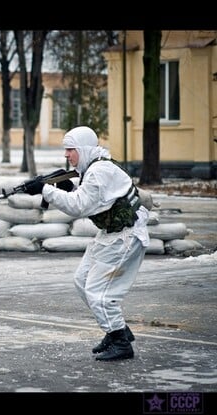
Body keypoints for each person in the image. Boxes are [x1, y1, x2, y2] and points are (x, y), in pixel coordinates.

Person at [22, 126, 149, 361]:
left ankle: (121, 342)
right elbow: (93, 198)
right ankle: (116, 330)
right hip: (110, 234)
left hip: (125, 236)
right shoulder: (95, 167)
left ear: (83, 148)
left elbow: (79, 207)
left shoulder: (99, 171)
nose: (66, 155)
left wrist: (45, 190)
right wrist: (69, 187)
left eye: (70, 149)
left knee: (98, 292)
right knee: (81, 280)